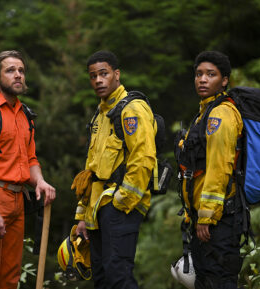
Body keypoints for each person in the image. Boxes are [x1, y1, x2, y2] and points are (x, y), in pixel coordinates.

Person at [0, 50, 56, 289]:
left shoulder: (25, 115)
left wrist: (41, 182)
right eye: (10, 70)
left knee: (9, 280)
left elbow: (31, 159)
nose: (18, 75)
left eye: (21, 71)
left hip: (17, 201)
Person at [71, 50, 157, 289]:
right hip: (97, 210)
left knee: (118, 275)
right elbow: (89, 172)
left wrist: (124, 200)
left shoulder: (132, 109)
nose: (98, 80)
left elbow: (143, 158)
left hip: (120, 206)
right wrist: (81, 216)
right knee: (101, 276)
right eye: (93, 76)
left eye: (103, 74)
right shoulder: (100, 115)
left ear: (116, 75)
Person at [177, 51, 244, 289]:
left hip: (219, 221)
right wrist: (193, 216)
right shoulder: (203, 114)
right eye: (198, 74)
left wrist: (206, 216)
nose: (202, 79)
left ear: (224, 80)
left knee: (219, 281)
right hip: (204, 221)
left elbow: (219, 168)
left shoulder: (220, 114)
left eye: (210, 74)